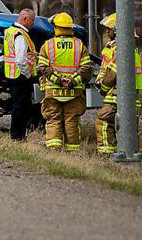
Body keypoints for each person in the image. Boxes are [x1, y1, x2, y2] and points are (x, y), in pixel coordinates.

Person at [37, 12, 93, 152]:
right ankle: (73, 151)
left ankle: (54, 150)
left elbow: (43, 67)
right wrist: (73, 81)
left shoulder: (48, 45)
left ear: (56, 28)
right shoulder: (80, 46)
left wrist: (59, 80)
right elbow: (86, 68)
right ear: (70, 28)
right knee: (71, 120)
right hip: (74, 90)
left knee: (53, 119)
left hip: (53, 90)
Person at [94, 13, 142, 155]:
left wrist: (103, 87)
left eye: (109, 29)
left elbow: (113, 72)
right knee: (129, 127)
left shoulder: (121, 49)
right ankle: (131, 154)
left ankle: (107, 154)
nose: (107, 32)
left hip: (118, 94)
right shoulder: (131, 48)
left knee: (103, 121)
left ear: (116, 30)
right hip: (133, 95)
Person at [3, 8, 37, 141]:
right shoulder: (20, 36)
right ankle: (17, 136)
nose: (33, 23)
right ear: (24, 19)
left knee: (18, 106)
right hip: (21, 77)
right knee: (20, 107)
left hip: (11, 75)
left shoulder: (10, 31)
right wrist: (28, 74)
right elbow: (21, 60)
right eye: (32, 20)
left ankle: (17, 134)